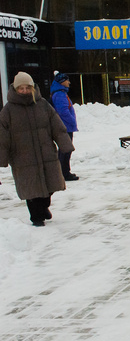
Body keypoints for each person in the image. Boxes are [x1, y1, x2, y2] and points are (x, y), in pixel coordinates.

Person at [0, 72, 74, 226]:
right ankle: (36, 216)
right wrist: (2, 157)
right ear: (15, 89)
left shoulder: (43, 105)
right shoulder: (8, 111)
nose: (25, 91)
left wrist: (65, 144)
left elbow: (57, 126)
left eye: (28, 87)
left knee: (49, 186)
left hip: (45, 152)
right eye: (21, 88)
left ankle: (44, 205)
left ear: (33, 88)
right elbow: (2, 136)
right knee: (31, 188)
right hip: (22, 156)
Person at [50, 71, 79, 181]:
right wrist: (72, 121)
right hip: (65, 127)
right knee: (65, 150)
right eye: (67, 80)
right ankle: (64, 173)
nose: (69, 82)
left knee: (65, 150)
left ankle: (64, 172)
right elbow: (63, 111)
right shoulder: (60, 94)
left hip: (65, 126)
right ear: (62, 82)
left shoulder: (60, 93)